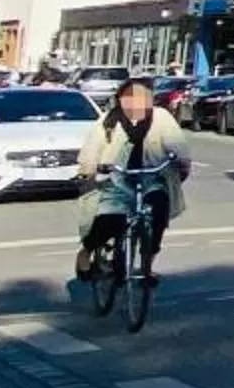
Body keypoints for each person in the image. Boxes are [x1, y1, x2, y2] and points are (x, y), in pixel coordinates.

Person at [74, 77, 190, 282]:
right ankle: (86, 251)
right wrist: (88, 169)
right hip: (117, 177)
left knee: (158, 213)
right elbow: (92, 148)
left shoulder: (161, 117)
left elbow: (176, 143)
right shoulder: (109, 120)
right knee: (109, 218)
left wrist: (182, 162)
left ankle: (148, 264)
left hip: (151, 176)